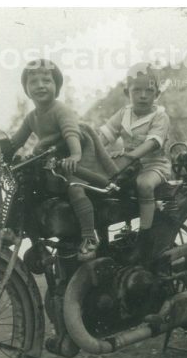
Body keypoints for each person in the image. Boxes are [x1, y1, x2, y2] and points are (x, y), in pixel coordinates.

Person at [10, 59, 100, 261]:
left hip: (76, 158)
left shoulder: (60, 110)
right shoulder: (32, 117)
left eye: (46, 80)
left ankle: (89, 236)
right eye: (33, 82)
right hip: (52, 162)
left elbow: (71, 133)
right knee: (25, 191)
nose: (40, 85)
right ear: (26, 88)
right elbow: (16, 141)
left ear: (56, 86)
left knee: (76, 189)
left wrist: (75, 155)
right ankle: (33, 242)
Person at [99, 63, 172, 264]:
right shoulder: (124, 113)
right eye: (136, 90)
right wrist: (93, 148)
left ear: (156, 94)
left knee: (144, 185)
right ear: (127, 92)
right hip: (130, 165)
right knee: (104, 187)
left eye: (149, 90)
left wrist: (130, 157)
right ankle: (106, 240)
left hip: (154, 165)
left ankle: (145, 237)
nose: (142, 95)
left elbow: (152, 143)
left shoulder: (160, 116)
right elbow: (105, 135)